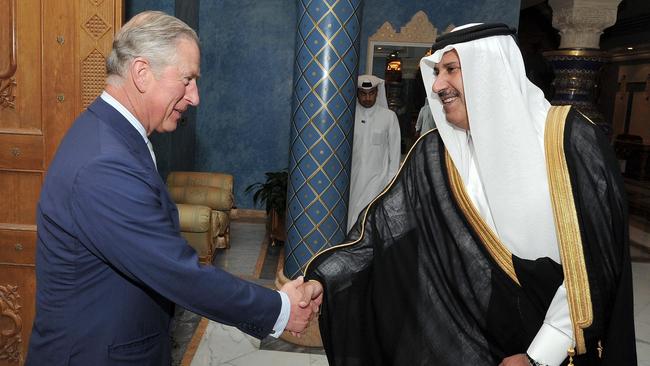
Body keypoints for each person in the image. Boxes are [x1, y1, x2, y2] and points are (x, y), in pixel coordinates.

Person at [301, 23, 636, 365]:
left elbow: (596, 263)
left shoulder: (570, 141)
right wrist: (323, 281)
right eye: (436, 72)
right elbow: (376, 235)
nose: (437, 85)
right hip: (466, 339)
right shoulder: (435, 154)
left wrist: (540, 355)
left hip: (553, 346)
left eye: (450, 70)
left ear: (490, 71)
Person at [26, 11, 319, 365]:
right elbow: (175, 271)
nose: (194, 97)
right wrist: (280, 310)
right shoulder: (104, 163)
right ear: (141, 73)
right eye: (187, 79)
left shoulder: (114, 136)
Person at [347, 74, 401, 231]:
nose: (367, 98)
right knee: (352, 217)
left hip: (378, 181)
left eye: (371, 93)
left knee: (369, 219)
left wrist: (390, 184)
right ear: (357, 94)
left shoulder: (389, 117)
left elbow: (395, 153)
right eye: (363, 94)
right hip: (353, 180)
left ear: (377, 93)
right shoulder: (350, 116)